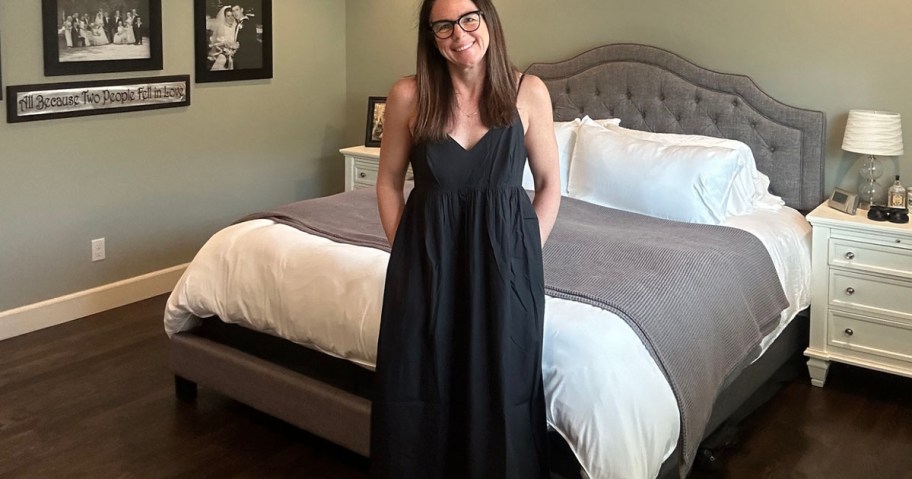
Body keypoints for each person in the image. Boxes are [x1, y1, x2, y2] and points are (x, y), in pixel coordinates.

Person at [370, 0, 560, 477]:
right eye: (444, 25)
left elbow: (550, 185)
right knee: (417, 379)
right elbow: (389, 181)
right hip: (425, 266)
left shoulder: (528, 92)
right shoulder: (409, 96)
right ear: (431, 36)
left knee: (503, 382)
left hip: (507, 270)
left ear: (488, 22)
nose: (459, 34)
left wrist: (522, 253)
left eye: (468, 19)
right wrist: (407, 251)